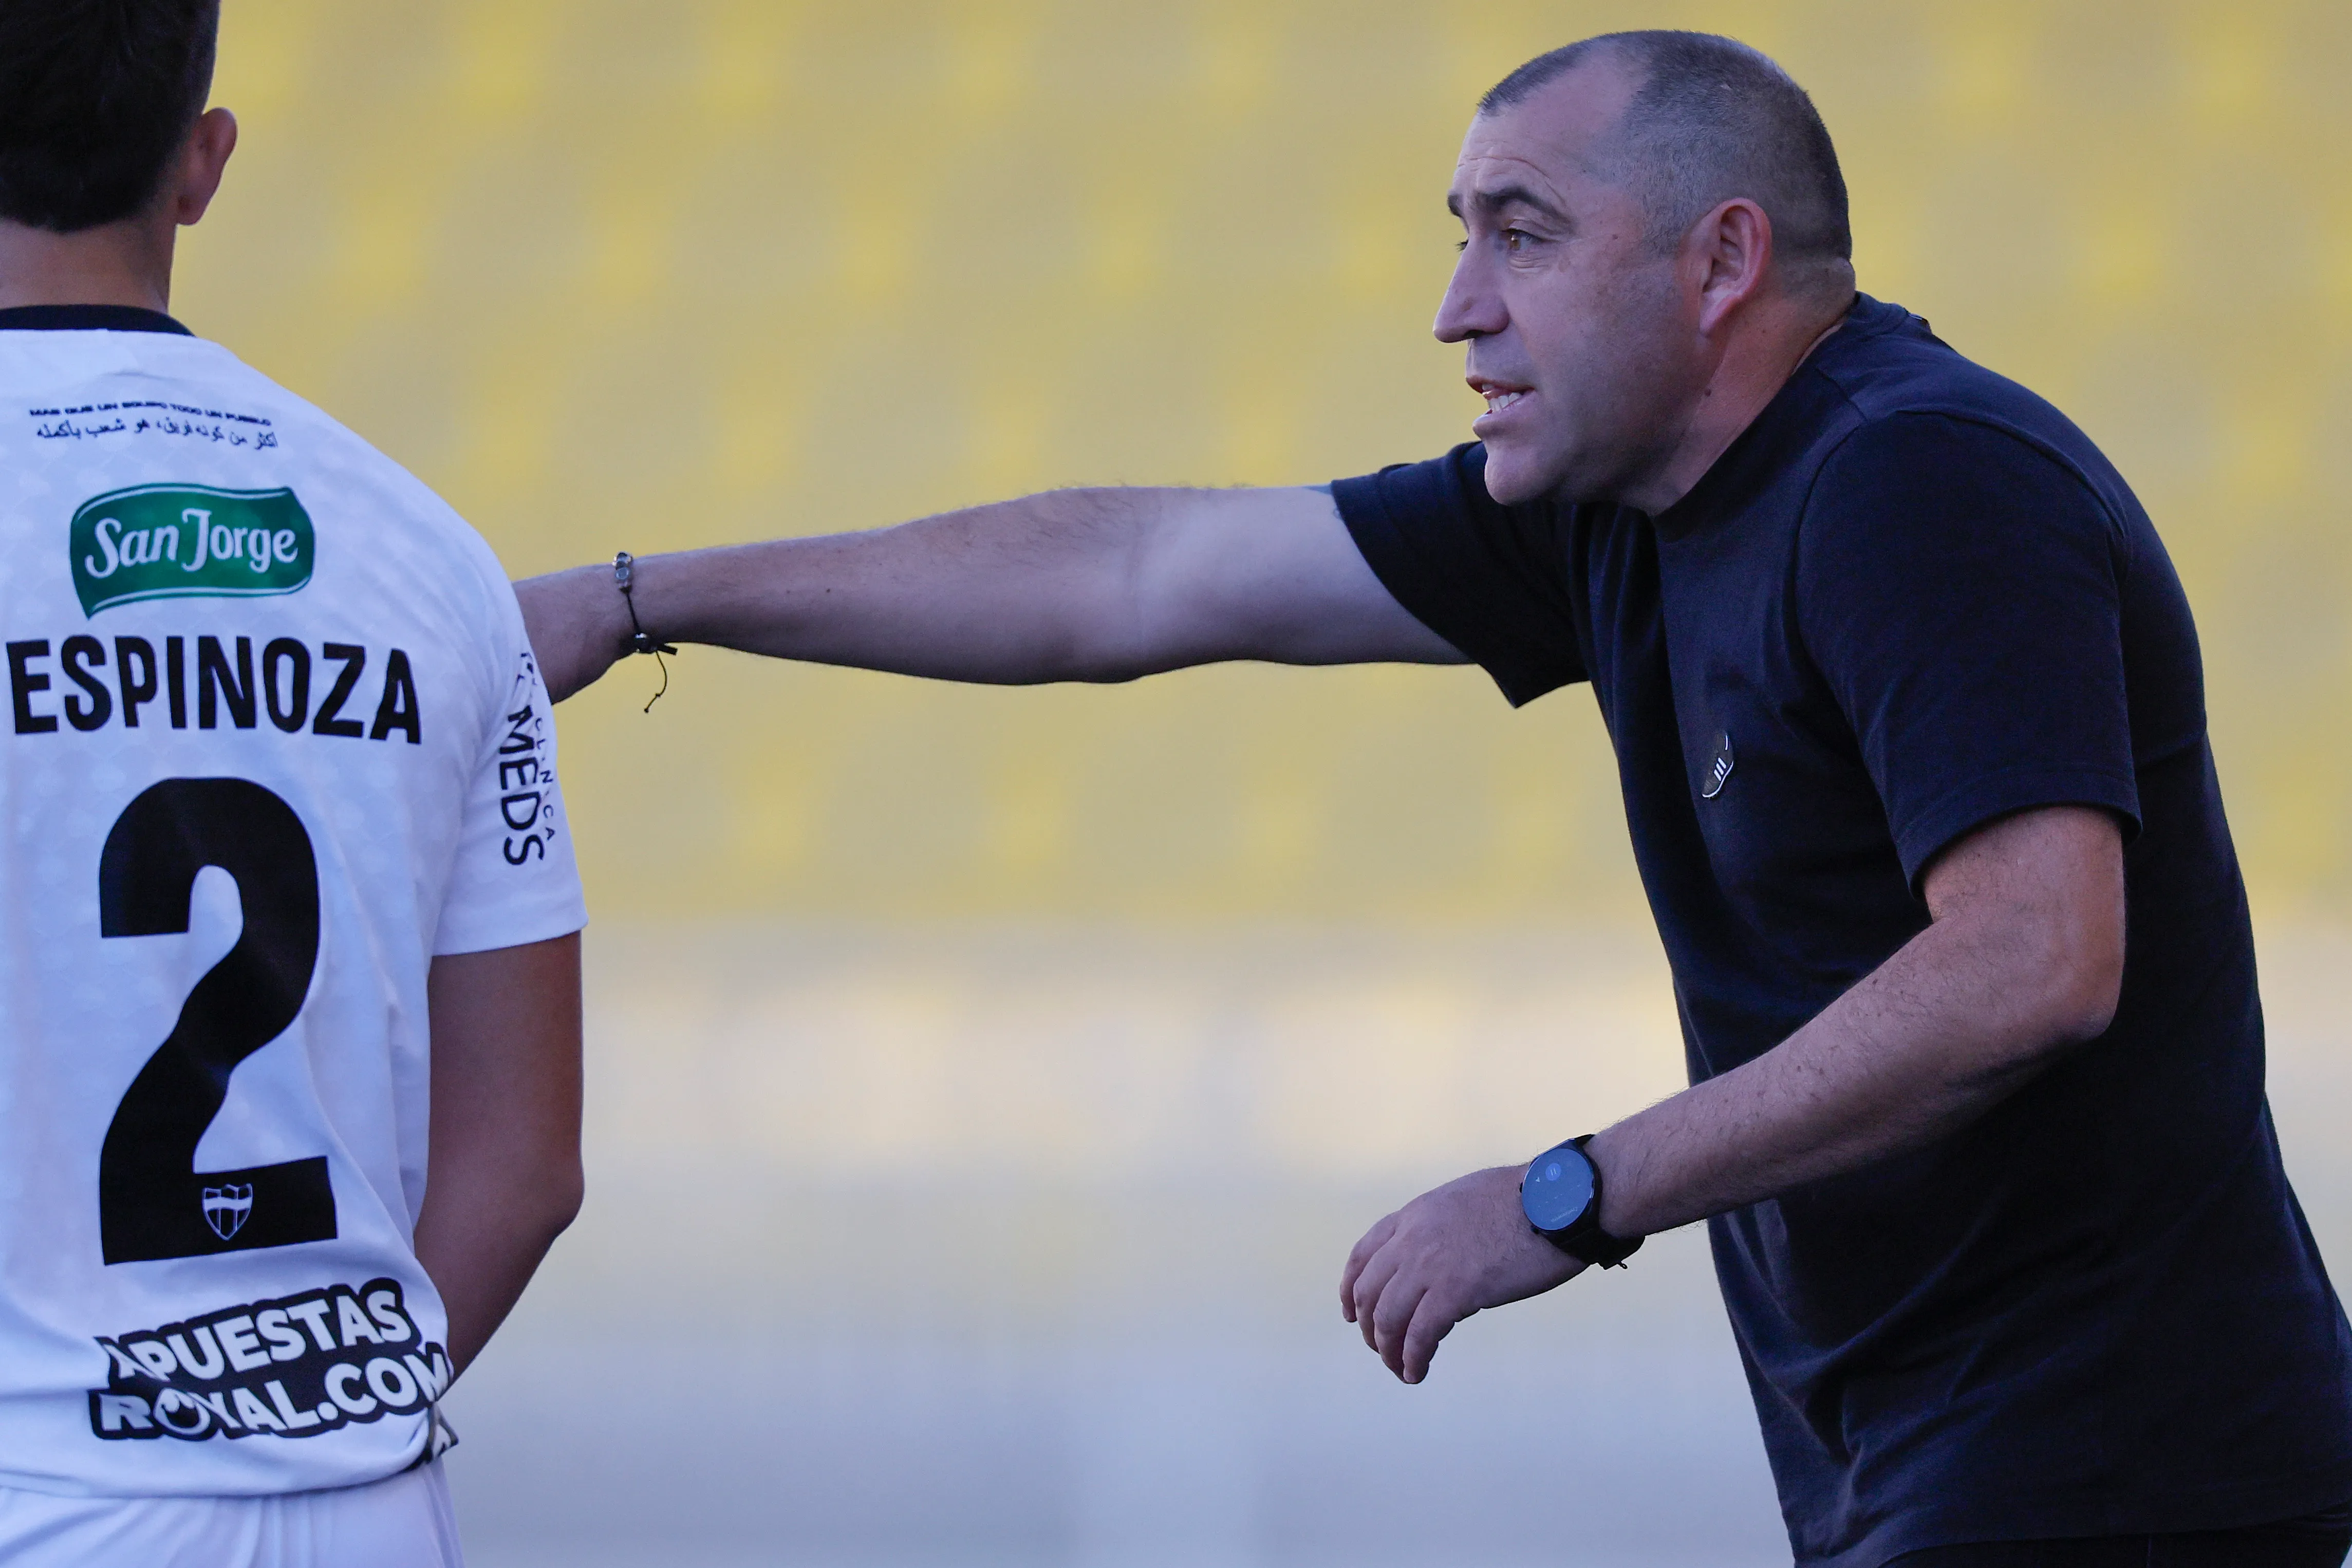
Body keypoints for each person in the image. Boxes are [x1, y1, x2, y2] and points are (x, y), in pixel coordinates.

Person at [518, 29, 2352, 1568]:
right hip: (1942, 1474)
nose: (1456, 305)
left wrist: (1573, 1192)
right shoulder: (1609, 512)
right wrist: (638, 596)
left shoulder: (1915, 480)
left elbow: (2038, 957)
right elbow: (1136, 577)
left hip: (2130, 1475)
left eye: (1523, 234)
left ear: (1719, 266)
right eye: (1461, 235)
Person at [0, 4, 589, 1563]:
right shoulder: (433, 558)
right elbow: (525, 1165)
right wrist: (310, 1427)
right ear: (201, 166)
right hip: (366, 1509)